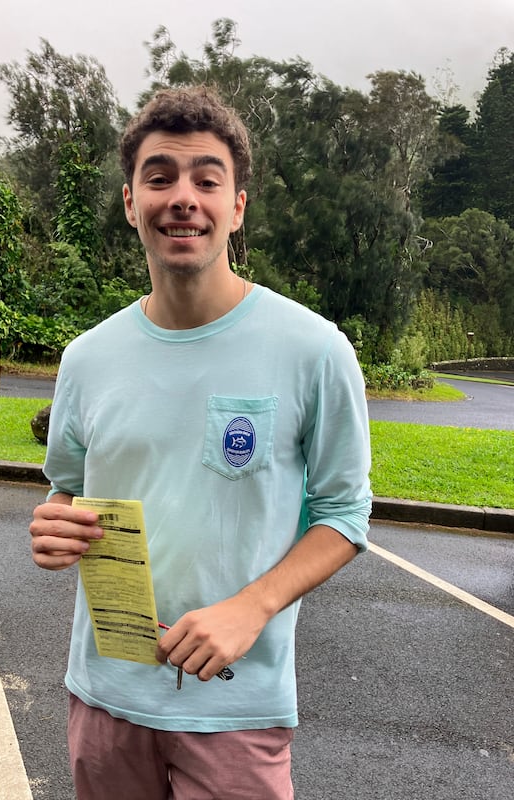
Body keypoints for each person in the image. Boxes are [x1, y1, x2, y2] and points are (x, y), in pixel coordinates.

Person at [30, 85, 372, 800]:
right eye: (159, 178)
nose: (182, 197)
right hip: (104, 698)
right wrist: (55, 521)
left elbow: (344, 513)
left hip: (235, 709)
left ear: (236, 206)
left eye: (206, 180)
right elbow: (64, 483)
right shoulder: (87, 358)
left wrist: (249, 608)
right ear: (131, 202)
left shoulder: (314, 350)